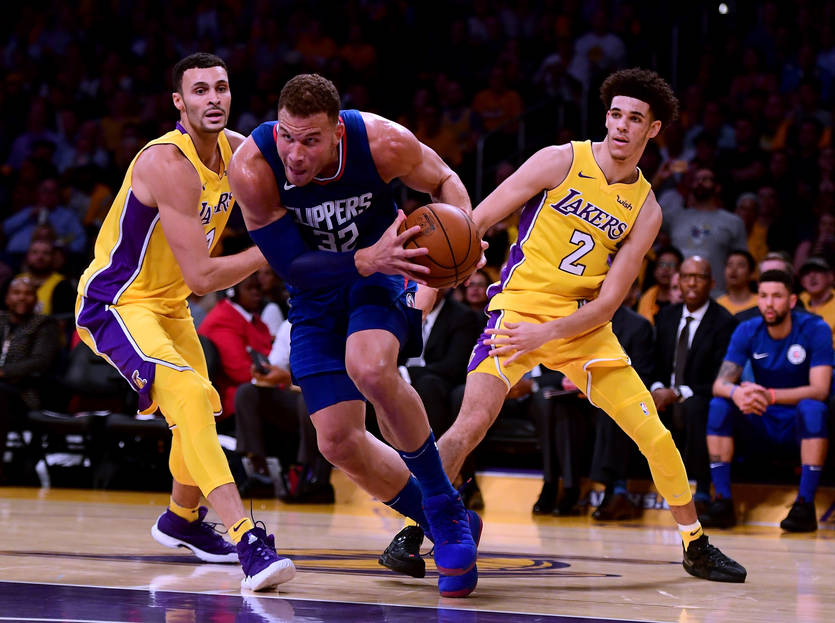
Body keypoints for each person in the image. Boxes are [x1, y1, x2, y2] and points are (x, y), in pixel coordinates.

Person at [382, 68, 747, 584]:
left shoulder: (646, 210)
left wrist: (548, 334)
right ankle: (412, 528)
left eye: (635, 118)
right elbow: (474, 222)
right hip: (516, 312)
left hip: (581, 326)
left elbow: (609, 304)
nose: (621, 126)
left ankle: (695, 544)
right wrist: (425, 293)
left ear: (653, 130)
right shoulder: (559, 160)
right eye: (615, 114)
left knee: (655, 435)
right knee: (470, 424)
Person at [227, 73, 479, 597]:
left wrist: (464, 237)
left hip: (382, 272)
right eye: (287, 136)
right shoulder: (253, 168)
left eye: (310, 140)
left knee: (370, 367)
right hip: (315, 290)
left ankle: (443, 505)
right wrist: (363, 259)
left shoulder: (383, 142)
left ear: (337, 132)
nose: (295, 153)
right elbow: (291, 265)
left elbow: (444, 179)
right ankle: (442, 516)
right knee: (337, 441)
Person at [74, 53, 294, 591]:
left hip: (168, 305)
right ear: (179, 101)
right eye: (200, 90)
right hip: (116, 304)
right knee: (191, 396)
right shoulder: (166, 164)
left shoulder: (240, 151)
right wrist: (276, 249)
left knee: (201, 406)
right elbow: (202, 277)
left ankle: (181, 519)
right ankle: (247, 538)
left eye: (221, 87)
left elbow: (299, 181)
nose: (213, 98)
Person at [703, 270, 832, 532]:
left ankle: (805, 505)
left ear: (792, 301)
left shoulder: (815, 328)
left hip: (796, 419)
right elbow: (719, 384)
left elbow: (820, 389)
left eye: (777, 296)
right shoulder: (747, 329)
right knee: (719, 406)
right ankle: (722, 501)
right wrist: (737, 393)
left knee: (814, 408)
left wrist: (769, 395)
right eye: (763, 296)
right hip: (761, 417)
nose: (769, 303)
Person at [650, 256, 737, 514]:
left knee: (696, 407)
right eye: (687, 276)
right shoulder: (666, 316)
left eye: (699, 277)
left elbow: (720, 377)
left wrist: (677, 393)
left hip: (700, 396)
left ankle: (700, 490)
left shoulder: (724, 322)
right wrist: (657, 389)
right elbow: (653, 362)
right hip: (662, 394)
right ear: (679, 280)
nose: (691, 283)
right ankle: (618, 488)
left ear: (711, 283)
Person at [0, 277, 61, 483]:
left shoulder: (44, 324)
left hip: (26, 393)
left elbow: (40, 361)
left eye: (28, 294)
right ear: (7, 298)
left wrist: (3, 373)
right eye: (17, 293)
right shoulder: (1, 320)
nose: (22, 298)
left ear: (35, 299)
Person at [197, 275, 272, 419]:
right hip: (230, 403)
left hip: (257, 389)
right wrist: (281, 378)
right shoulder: (222, 319)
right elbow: (241, 372)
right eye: (250, 288)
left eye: (258, 288)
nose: (256, 293)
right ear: (232, 291)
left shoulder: (253, 318)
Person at [636, 246, 683, 324]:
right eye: (662, 264)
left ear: (679, 269)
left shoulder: (682, 298)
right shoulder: (644, 297)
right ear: (654, 269)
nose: (666, 269)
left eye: (671, 265)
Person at [716, 250, 758, 316]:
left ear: (752, 273)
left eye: (741, 265)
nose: (733, 269)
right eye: (729, 265)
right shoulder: (718, 305)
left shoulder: (761, 302)